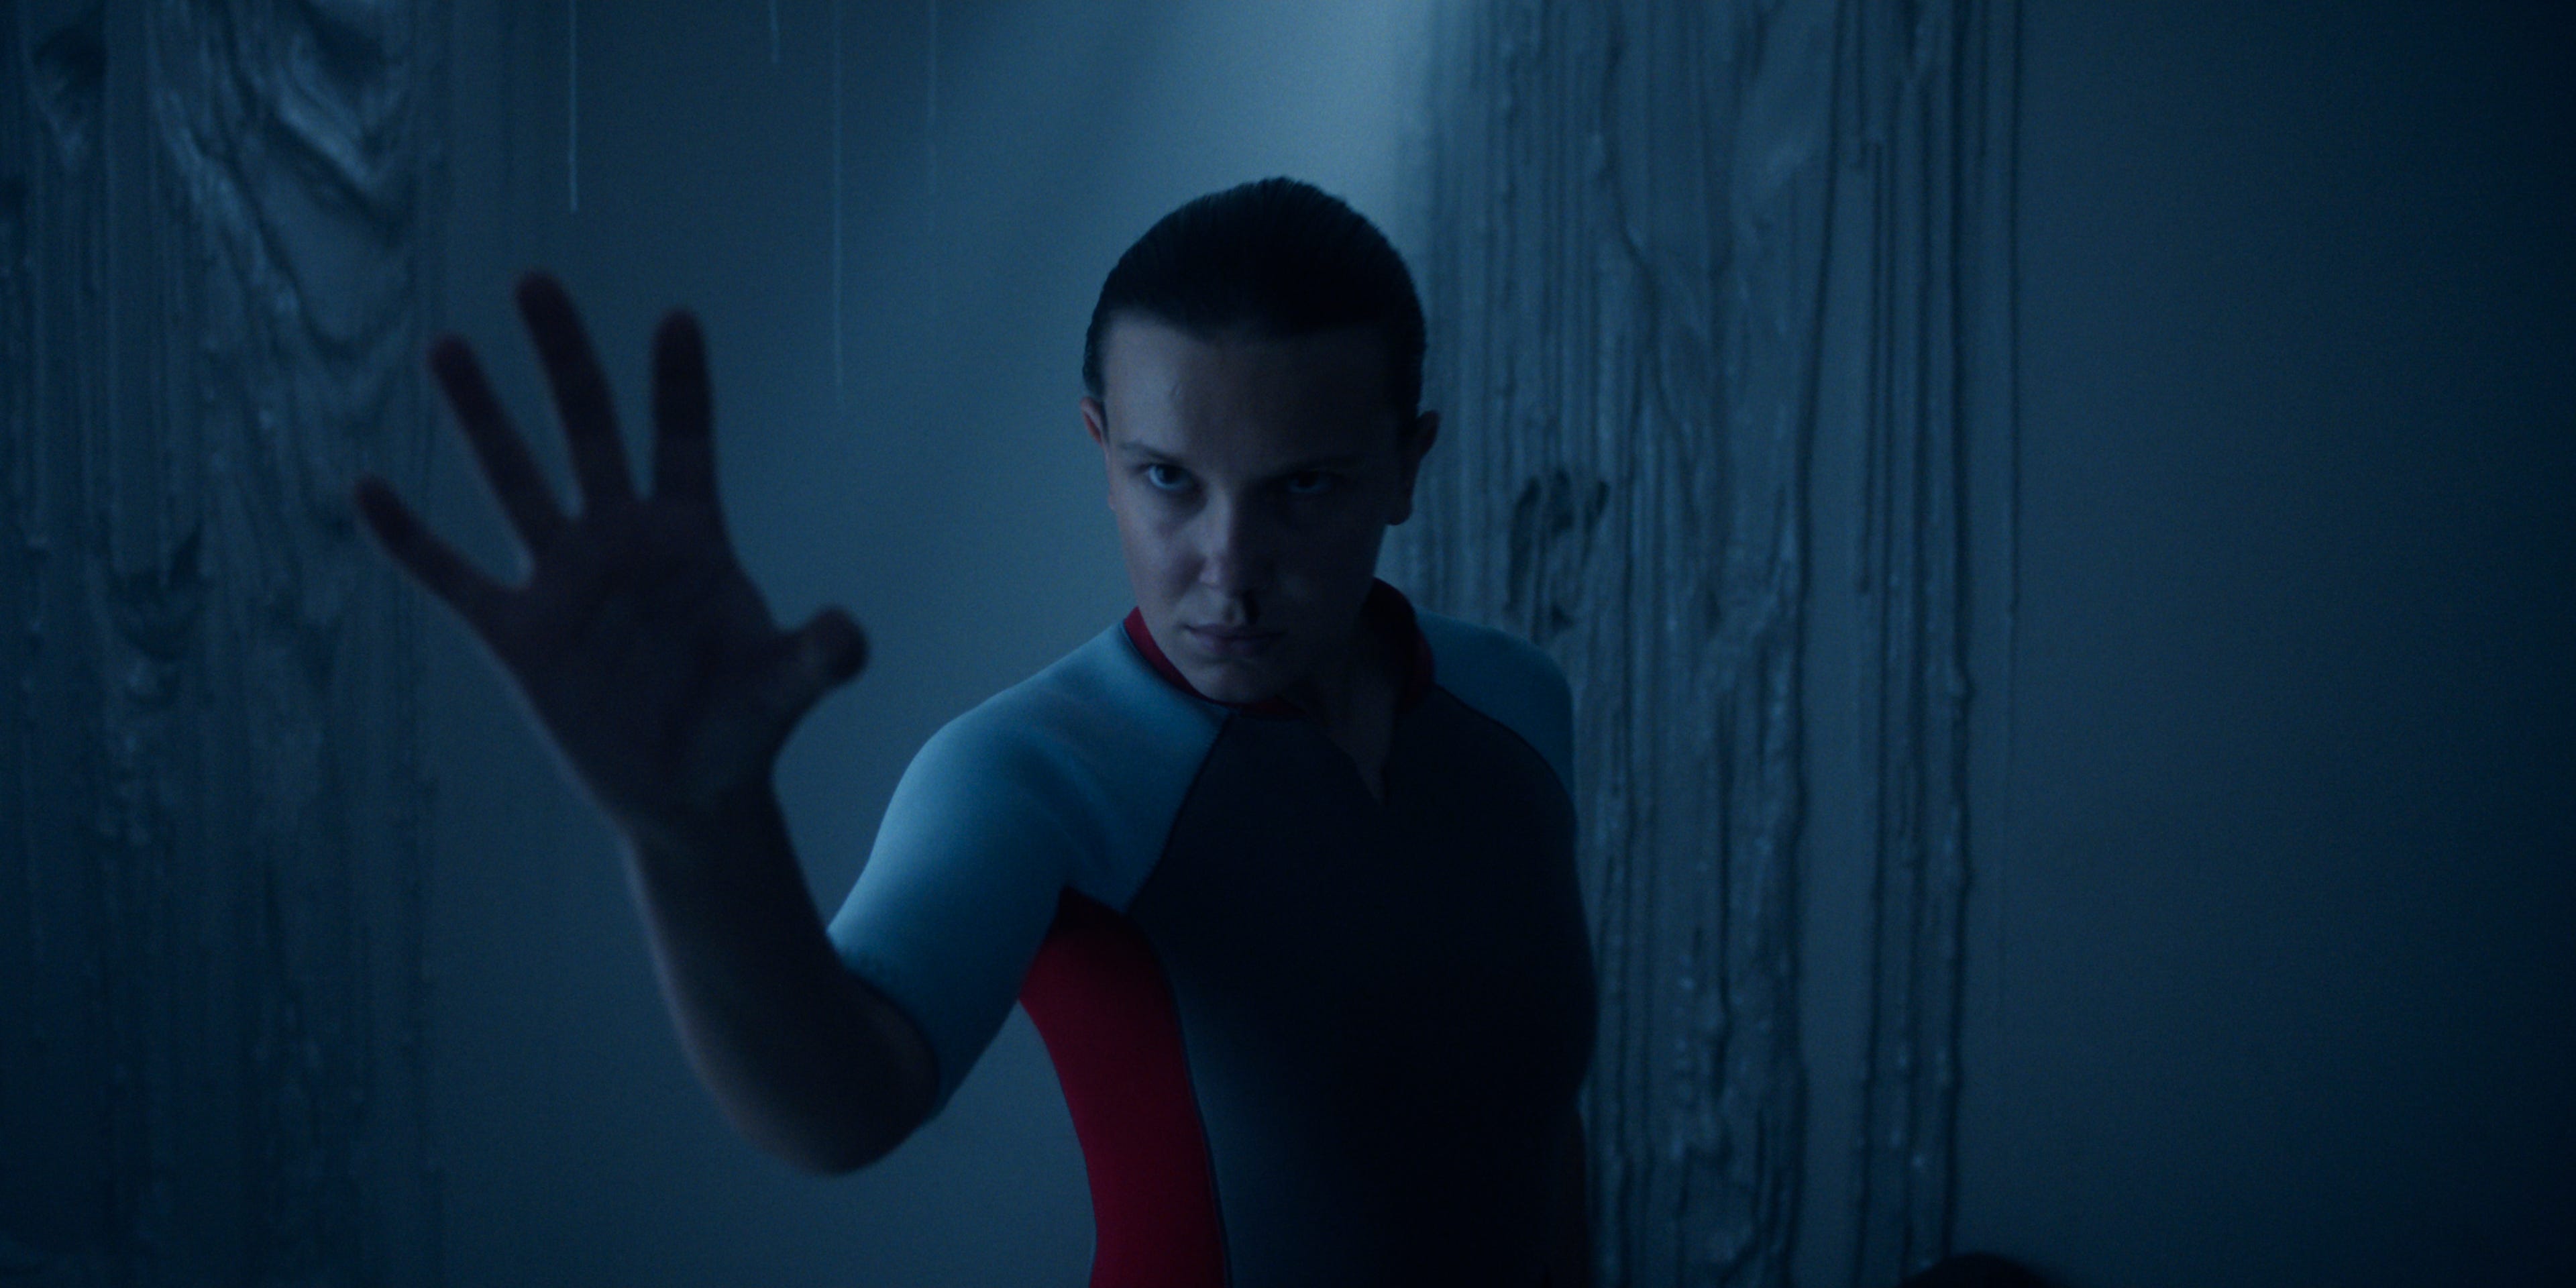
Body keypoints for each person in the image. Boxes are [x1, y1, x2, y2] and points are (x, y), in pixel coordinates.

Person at [355, 177, 1596, 1287]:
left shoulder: (1516, 702)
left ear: (1407, 465)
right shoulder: (1033, 772)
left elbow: (1526, 1140)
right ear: (1102, 451)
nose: (1229, 566)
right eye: (1170, 479)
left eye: (1303, 487)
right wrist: (698, 838)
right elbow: (842, 1106)